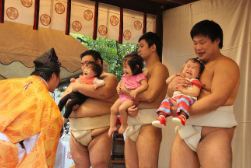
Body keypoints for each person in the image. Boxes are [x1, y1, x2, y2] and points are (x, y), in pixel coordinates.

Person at [168, 20, 240, 168]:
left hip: (214, 132)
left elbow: (217, 99)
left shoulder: (225, 64)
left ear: (217, 40)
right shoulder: (194, 65)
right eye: (195, 43)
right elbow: (173, 90)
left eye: (202, 42)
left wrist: (183, 111)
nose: (198, 47)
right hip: (186, 131)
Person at [0, 48, 63, 167]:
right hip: (8, 153)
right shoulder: (49, 106)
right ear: (54, 76)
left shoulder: (6, 83)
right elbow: (43, 152)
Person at [61, 50, 118, 168]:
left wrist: (77, 87)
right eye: (82, 64)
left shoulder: (108, 78)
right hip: (76, 132)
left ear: (98, 62)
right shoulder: (78, 79)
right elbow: (64, 99)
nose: (84, 67)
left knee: (99, 165)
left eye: (87, 63)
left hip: (99, 131)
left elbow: (104, 93)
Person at [120, 32, 169, 168]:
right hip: (132, 122)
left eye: (141, 46)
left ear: (153, 47)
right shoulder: (139, 71)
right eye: (138, 46)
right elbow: (122, 87)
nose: (138, 50)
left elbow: (150, 96)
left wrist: (126, 92)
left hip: (148, 124)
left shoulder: (160, 68)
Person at [152, 58, 204, 127]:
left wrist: (183, 90)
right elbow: (167, 81)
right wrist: (174, 76)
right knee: (166, 101)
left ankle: (183, 116)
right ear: (184, 67)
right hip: (176, 98)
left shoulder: (194, 81)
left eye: (194, 68)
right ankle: (161, 117)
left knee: (183, 100)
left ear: (198, 74)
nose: (189, 69)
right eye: (188, 66)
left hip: (189, 99)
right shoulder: (179, 77)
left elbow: (196, 92)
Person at [108, 52, 148, 137]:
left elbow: (145, 85)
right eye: (124, 67)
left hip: (132, 99)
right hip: (123, 96)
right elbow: (121, 82)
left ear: (136, 67)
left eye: (127, 67)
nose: (124, 69)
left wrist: (137, 91)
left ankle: (124, 125)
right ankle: (112, 126)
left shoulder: (140, 76)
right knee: (113, 109)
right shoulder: (125, 76)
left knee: (122, 108)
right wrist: (118, 87)